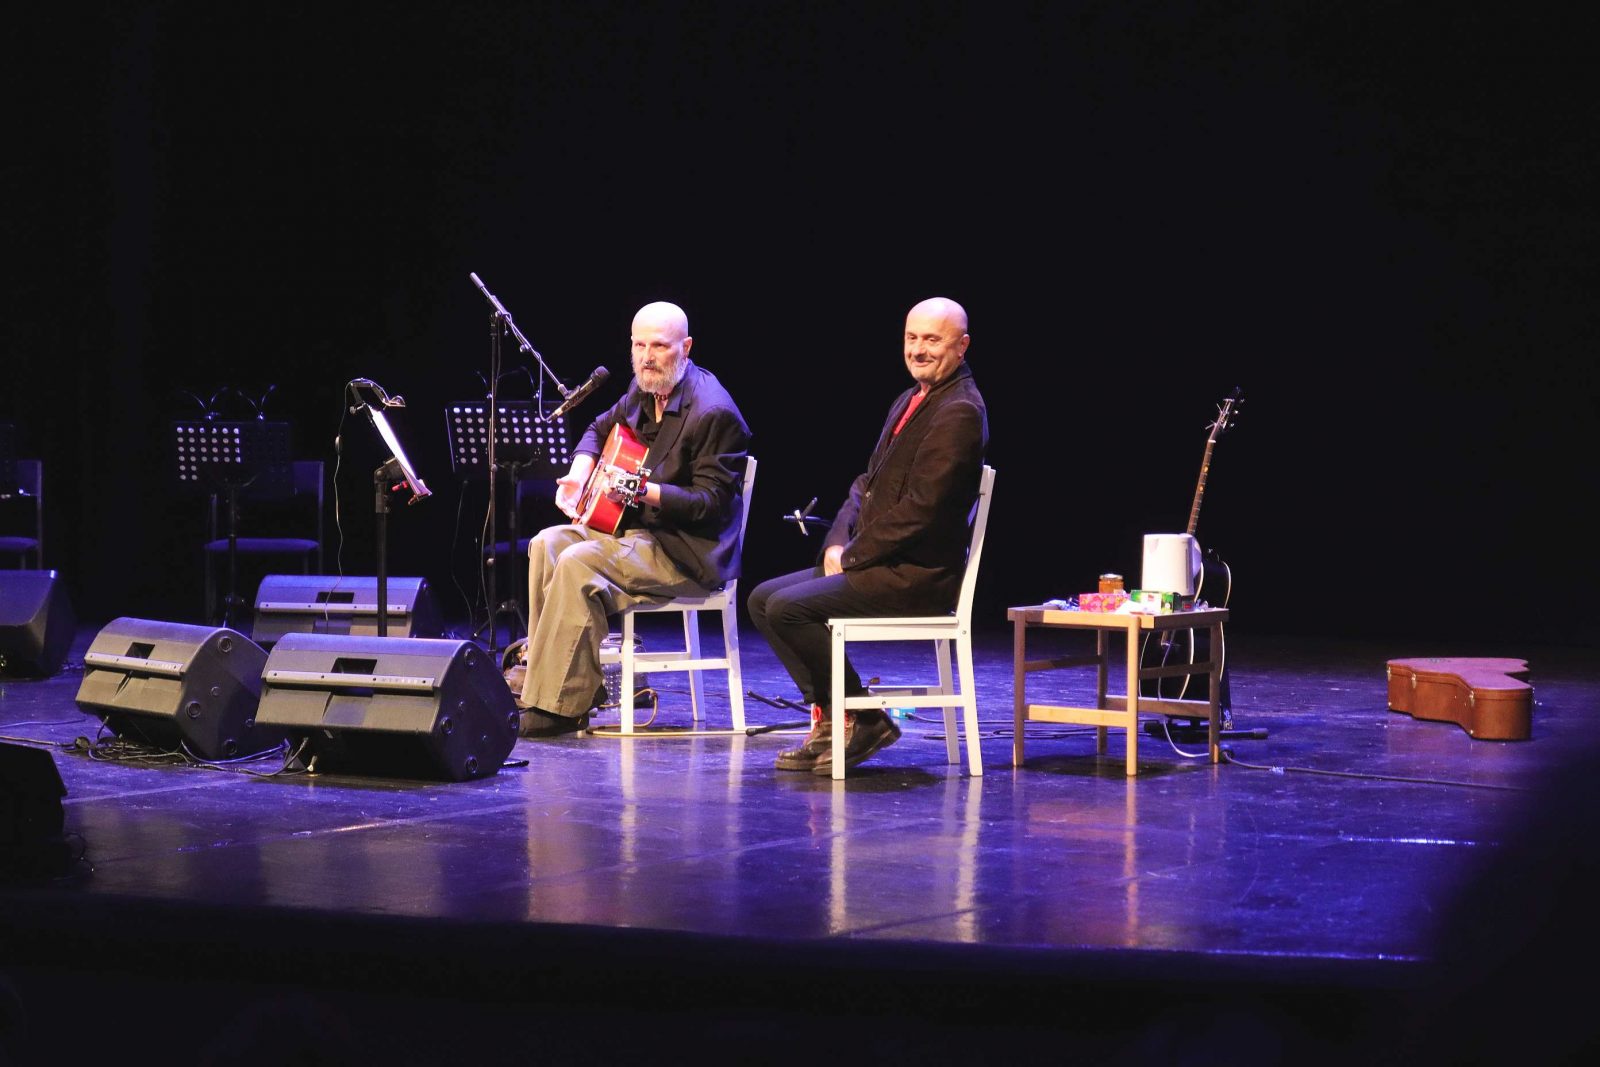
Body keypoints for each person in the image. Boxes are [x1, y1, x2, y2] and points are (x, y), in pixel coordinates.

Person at [748, 297, 988, 774]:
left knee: (787, 609)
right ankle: (836, 718)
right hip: (879, 563)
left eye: (932, 340)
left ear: (961, 346)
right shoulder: (911, 398)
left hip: (915, 576)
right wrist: (837, 543)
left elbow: (922, 511)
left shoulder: (960, 411)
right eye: (912, 338)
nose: (918, 349)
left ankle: (864, 717)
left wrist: (854, 557)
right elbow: (866, 484)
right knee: (762, 600)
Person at [517, 301, 751, 736]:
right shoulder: (644, 390)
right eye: (639, 346)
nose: (646, 357)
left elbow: (711, 504)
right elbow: (597, 428)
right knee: (547, 543)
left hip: (685, 551)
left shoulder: (713, 411)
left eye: (659, 346)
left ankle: (557, 706)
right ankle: (547, 685)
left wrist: (644, 490)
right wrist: (580, 472)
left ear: (686, 347)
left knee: (578, 563)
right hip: (640, 534)